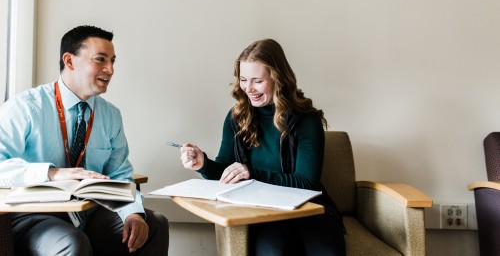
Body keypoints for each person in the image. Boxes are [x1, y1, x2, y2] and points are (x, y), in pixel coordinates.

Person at [0, 25, 169, 256]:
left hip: (89, 211)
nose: (110, 69)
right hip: (36, 215)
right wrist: (51, 173)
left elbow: (120, 175)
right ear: (69, 61)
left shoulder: (110, 115)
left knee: (155, 223)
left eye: (113, 61)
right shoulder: (24, 108)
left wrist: (133, 213)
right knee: (72, 243)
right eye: (101, 60)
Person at [180, 39, 345, 256]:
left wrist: (251, 173)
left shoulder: (306, 119)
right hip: (265, 213)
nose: (248, 88)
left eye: (257, 81)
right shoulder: (236, 117)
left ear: (278, 78)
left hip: (309, 210)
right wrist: (203, 164)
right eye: (243, 79)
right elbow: (226, 172)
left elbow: (306, 183)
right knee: (273, 250)